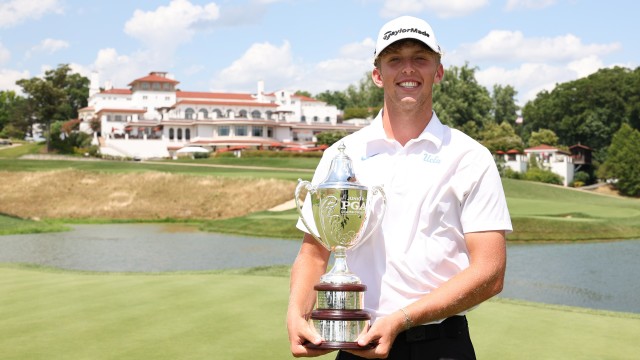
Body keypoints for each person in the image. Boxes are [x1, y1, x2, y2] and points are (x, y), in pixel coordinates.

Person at [287, 15, 512, 360]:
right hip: (356, 342)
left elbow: (490, 272)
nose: (408, 69)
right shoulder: (341, 155)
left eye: (420, 58)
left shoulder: (470, 157)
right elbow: (313, 255)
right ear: (378, 74)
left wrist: (401, 320)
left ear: (438, 71)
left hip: (441, 346)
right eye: (395, 59)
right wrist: (297, 314)